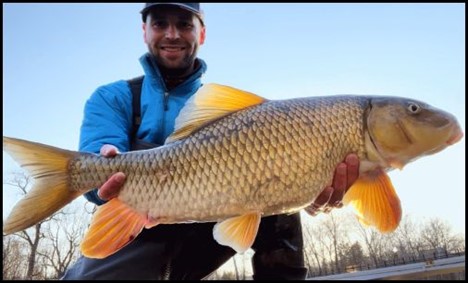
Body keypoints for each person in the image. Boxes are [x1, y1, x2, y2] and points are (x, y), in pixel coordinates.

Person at [62, 3, 360, 280]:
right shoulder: (112, 97)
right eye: (160, 23)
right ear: (145, 31)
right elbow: (99, 161)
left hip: (212, 222)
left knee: (282, 207)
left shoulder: (228, 108)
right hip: (141, 223)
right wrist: (99, 174)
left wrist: (307, 190)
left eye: (184, 24)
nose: (172, 34)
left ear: (201, 33)